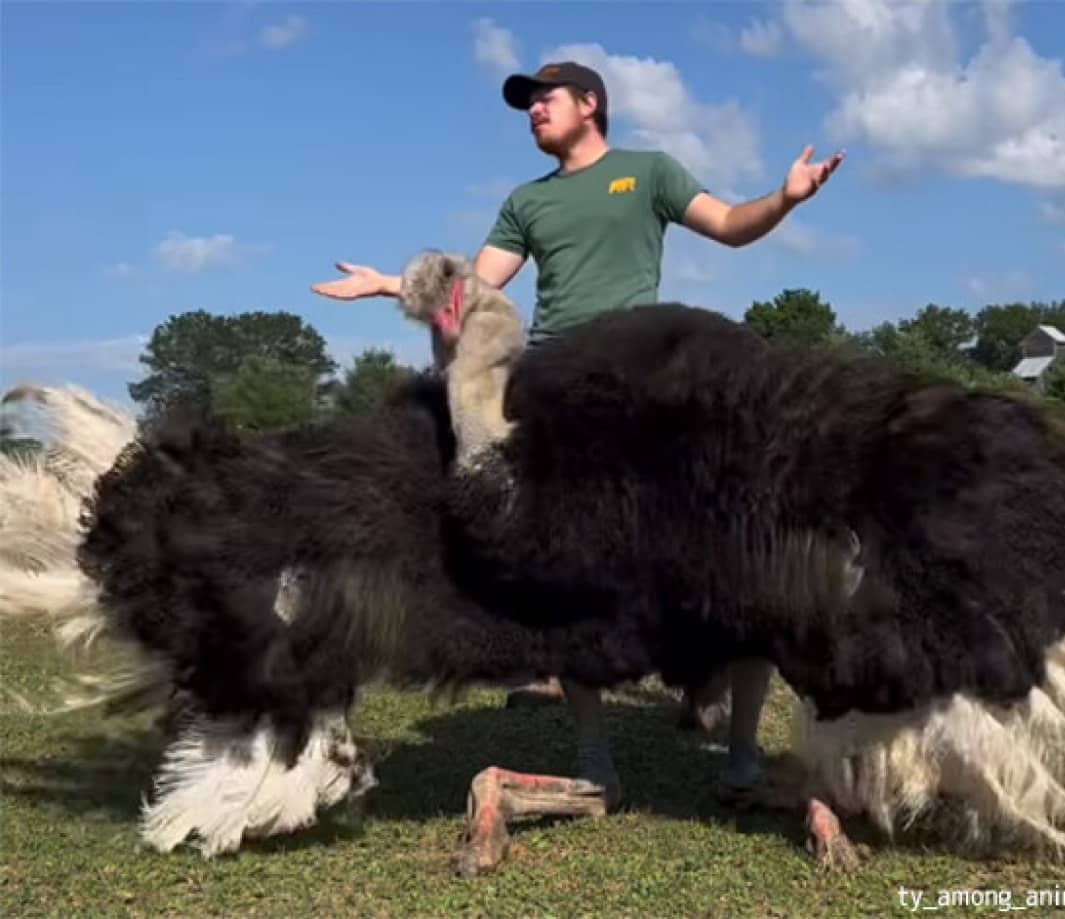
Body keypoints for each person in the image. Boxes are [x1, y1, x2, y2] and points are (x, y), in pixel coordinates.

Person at [312, 60, 843, 797]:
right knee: (566, 572)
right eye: (526, 104)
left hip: (652, 384)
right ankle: (594, 758)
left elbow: (726, 225)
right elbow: (478, 285)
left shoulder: (647, 172)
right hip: (560, 396)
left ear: (589, 104)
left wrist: (783, 199)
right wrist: (394, 286)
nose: (532, 111)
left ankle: (742, 754)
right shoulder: (526, 202)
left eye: (544, 99)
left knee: (735, 559)